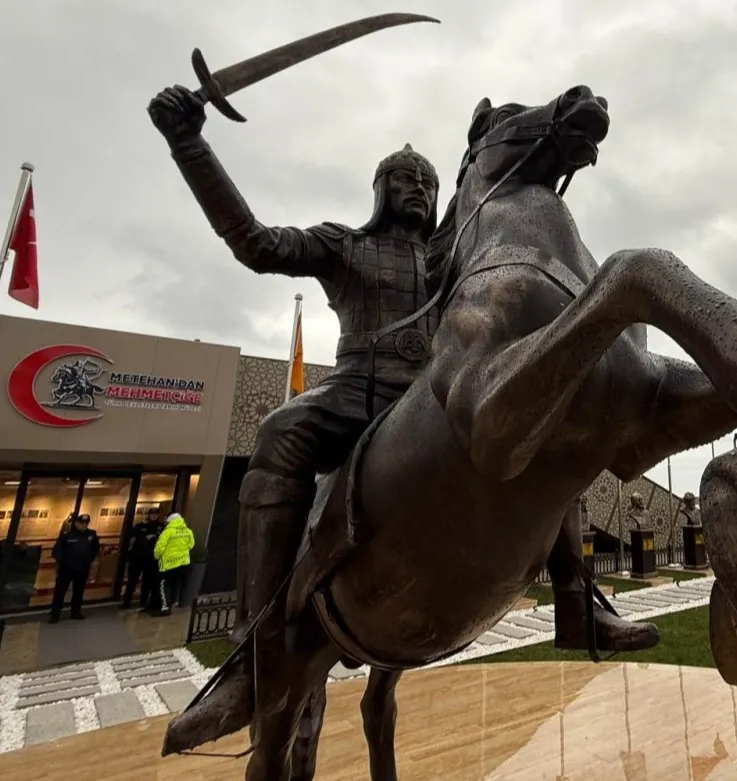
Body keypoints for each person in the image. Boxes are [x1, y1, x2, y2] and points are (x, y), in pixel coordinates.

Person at [146, 83, 658, 738]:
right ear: (380, 190)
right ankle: (253, 653)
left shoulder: (457, 252)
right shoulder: (344, 245)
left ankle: (576, 597)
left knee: (540, 418)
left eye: (427, 181)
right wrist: (189, 144)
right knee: (280, 431)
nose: (417, 187)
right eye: (403, 178)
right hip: (355, 394)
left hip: (434, 398)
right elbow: (255, 242)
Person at [50, 513, 99, 623]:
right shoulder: (67, 535)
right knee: (60, 591)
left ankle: (76, 611)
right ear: (76, 523)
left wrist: (89, 560)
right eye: (82, 523)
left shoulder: (91, 534)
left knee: (78, 591)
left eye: (86, 523)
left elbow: (95, 549)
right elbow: (57, 551)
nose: (84, 525)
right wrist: (63, 562)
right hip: (66, 569)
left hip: (82, 568)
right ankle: (55, 614)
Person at [121, 507, 164, 611]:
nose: (154, 516)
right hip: (138, 558)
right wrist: (128, 554)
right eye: (152, 514)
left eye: (156, 514)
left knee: (147, 582)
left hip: (151, 559)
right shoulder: (140, 526)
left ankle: (143, 601)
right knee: (132, 581)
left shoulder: (161, 527)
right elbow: (129, 536)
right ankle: (126, 602)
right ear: (149, 515)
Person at [153, 512, 194, 615]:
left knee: (163, 585)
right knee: (175, 585)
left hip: (168, 564)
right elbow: (191, 545)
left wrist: (156, 556)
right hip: (183, 564)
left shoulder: (168, 532)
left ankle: (165, 607)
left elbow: (159, 547)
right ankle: (172, 603)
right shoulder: (188, 531)